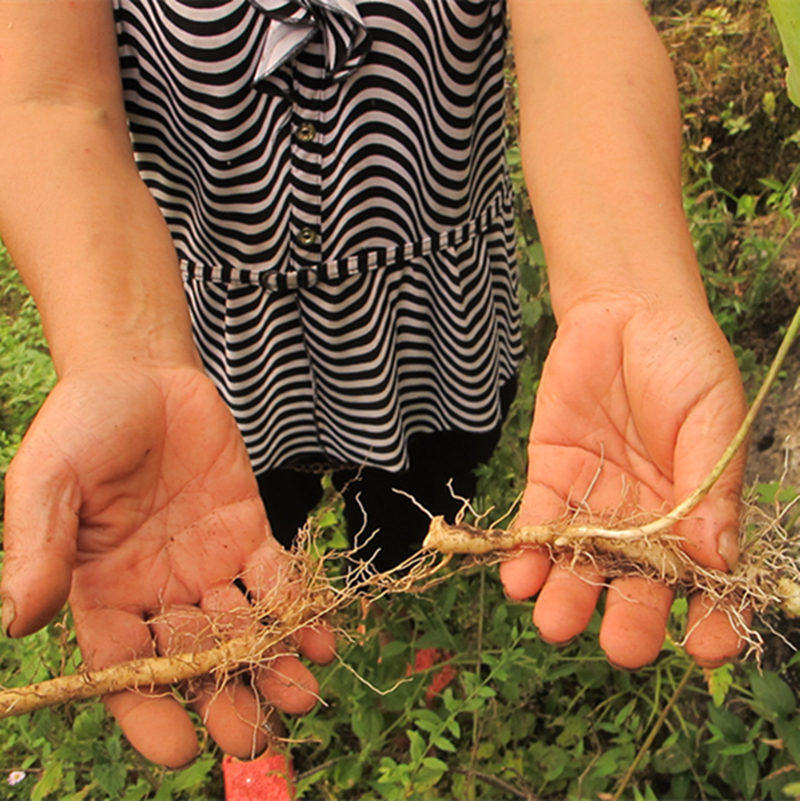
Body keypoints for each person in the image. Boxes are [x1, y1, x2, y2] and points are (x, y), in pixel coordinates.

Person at [0, 0, 747, 771]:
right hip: (213, 352)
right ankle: (237, 659)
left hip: (431, 319)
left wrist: (627, 289)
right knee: (243, 522)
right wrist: (118, 351)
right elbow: (46, 97)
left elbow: (578, 24)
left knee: (417, 493)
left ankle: (393, 598)